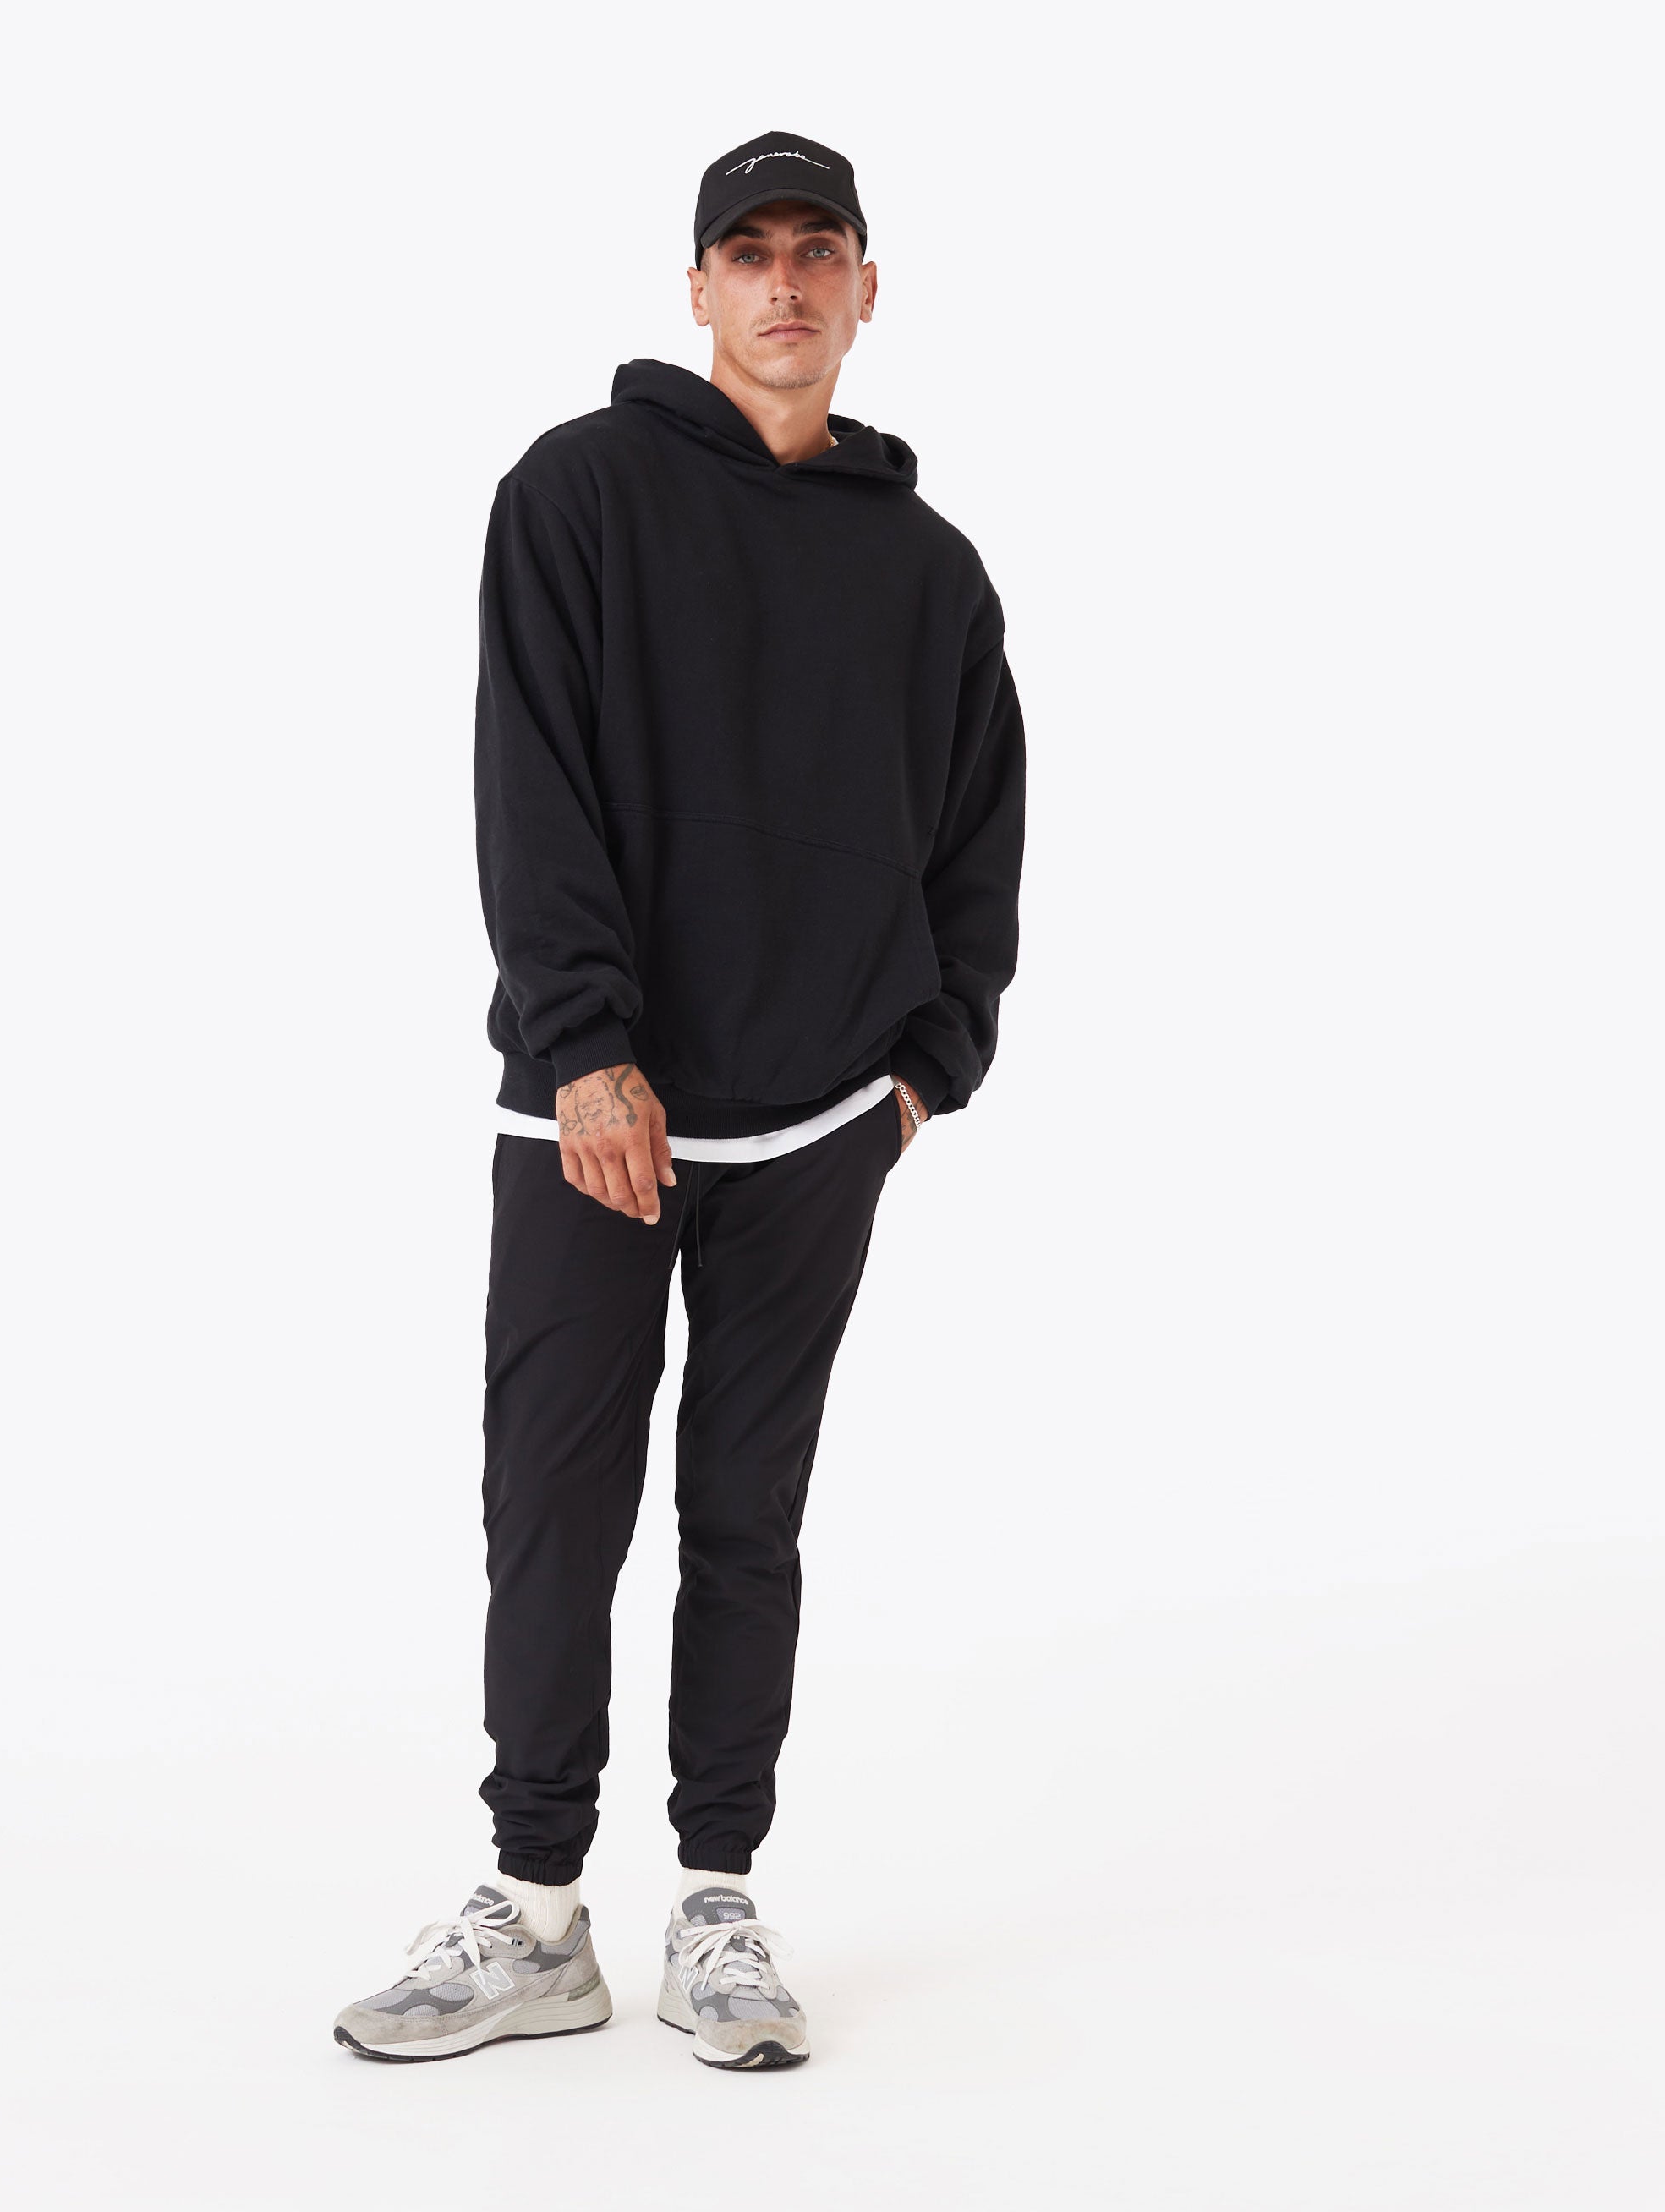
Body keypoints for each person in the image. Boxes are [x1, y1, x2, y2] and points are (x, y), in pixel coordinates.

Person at [333, 129, 1026, 2071]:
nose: (783, 283)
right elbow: (531, 776)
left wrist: (922, 1072)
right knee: (553, 1510)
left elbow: (978, 832)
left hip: (813, 1126)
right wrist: (583, 1043)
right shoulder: (578, 493)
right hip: (592, 1115)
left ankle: (716, 1899)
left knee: (746, 1516)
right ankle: (534, 1910)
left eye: (819, 251)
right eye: (748, 252)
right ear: (699, 289)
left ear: (866, 290)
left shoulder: (929, 572)